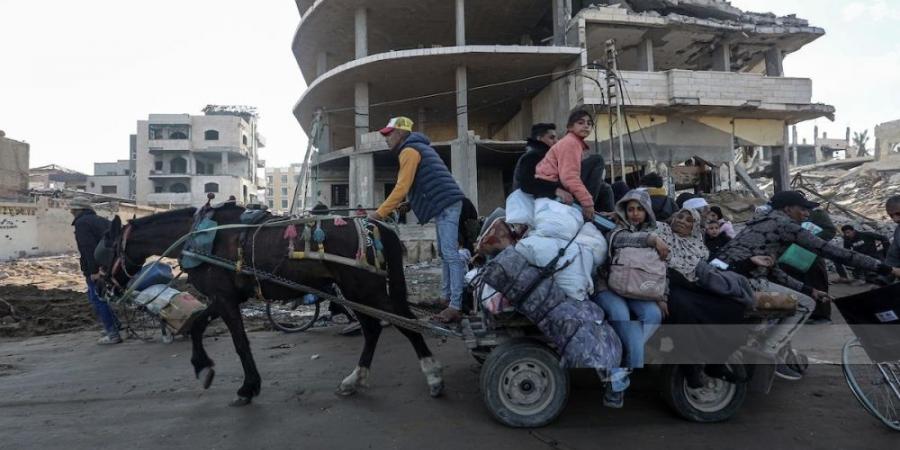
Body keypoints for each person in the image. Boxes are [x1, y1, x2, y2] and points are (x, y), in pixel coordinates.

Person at [713, 191, 900, 380]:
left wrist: (809, 290)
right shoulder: (786, 225)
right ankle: (767, 353)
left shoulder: (757, 224)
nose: (806, 214)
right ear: (788, 209)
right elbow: (832, 251)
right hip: (744, 283)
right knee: (804, 304)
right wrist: (886, 269)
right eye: (802, 209)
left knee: (794, 300)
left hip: (721, 279)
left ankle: (755, 344)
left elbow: (773, 269)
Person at [369, 116, 467, 323]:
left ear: (401, 133)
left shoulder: (409, 151)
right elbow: (426, 183)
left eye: (389, 133)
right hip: (447, 202)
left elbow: (402, 187)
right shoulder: (418, 148)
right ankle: (447, 297)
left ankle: (456, 305)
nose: (386, 138)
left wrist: (379, 213)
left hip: (446, 205)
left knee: (450, 254)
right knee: (445, 253)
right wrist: (409, 205)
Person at [591, 190, 667, 408]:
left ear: (647, 211)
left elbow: (664, 268)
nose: (634, 214)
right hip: (608, 285)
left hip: (637, 289)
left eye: (639, 209)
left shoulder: (657, 231)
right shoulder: (616, 228)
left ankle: (618, 364)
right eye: (630, 209)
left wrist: (662, 296)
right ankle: (616, 384)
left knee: (653, 314)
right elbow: (622, 241)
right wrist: (651, 240)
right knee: (621, 315)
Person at [70, 196, 121, 345]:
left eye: (72, 209)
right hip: (111, 265)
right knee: (99, 297)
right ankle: (115, 324)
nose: (71, 212)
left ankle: (113, 333)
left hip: (97, 268)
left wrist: (94, 271)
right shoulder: (100, 220)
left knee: (98, 299)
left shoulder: (82, 223)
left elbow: (88, 248)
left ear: (77, 210)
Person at [534, 110, 596, 221]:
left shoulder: (574, 142)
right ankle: (588, 210)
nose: (586, 126)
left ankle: (607, 214)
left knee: (606, 188)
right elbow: (569, 176)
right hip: (552, 187)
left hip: (556, 184)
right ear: (570, 127)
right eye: (581, 123)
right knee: (597, 161)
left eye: (589, 123)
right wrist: (587, 202)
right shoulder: (570, 142)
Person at [512, 123, 565, 199]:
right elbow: (527, 183)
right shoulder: (532, 156)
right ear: (539, 138)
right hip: (528, 204)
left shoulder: (542, 155)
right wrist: (555, 190)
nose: (556, 141)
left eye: (557, 138)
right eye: (552, 138)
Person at [885, 195, 900, 269]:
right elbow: (893, 258)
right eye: (891, 216)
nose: (895, 220)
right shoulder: (898, 231)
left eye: (898, 214)